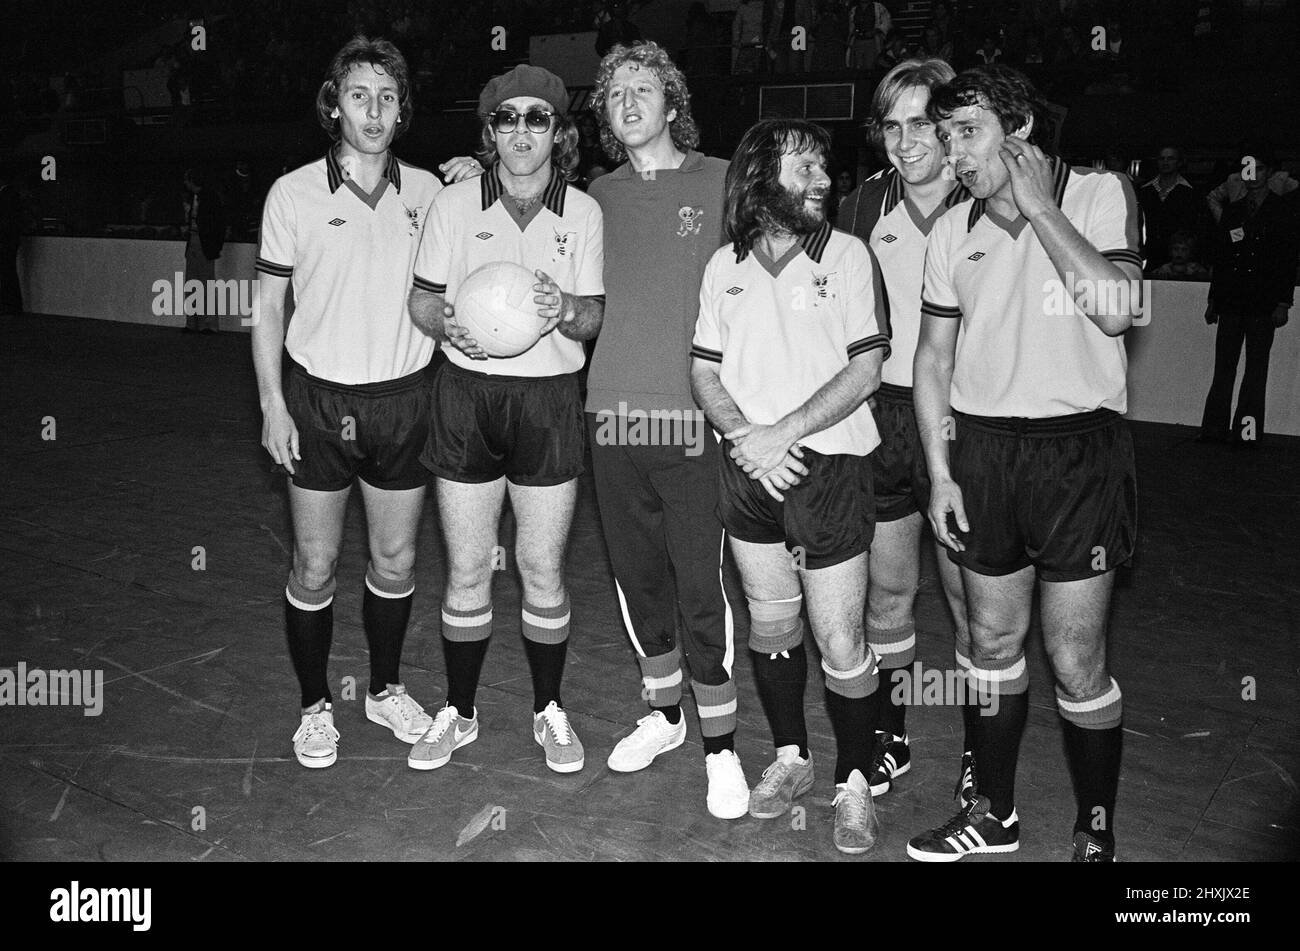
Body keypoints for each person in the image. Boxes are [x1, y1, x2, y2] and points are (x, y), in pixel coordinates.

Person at [911, 65, 1142, 862]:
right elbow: (933, 362)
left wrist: (1040, 205)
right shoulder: (950, 230)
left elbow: (1116, 309)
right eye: (943, 138)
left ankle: (1095, 825)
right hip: (983, 453)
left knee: (1076, 658)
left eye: (965, 132)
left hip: (1079, 452)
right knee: (991, 640)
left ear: (1020, 133)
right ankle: (994, 814)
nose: (952, 153)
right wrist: (941, 472)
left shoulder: (1098, 193)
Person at [691, 118, 891, 854]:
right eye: (802, 167)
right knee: (773, 626)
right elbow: (704, 370)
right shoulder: (724, 267)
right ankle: (790, 759)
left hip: (829, 468)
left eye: (824, 167)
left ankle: (856, 782)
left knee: (841, 637)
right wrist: (749, 438)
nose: (823, 179)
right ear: (758, 178)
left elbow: (866, 368)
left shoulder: (847, 256)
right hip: (748, 471)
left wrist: (785, 433)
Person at [406, 65, 605, 774]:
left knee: (540, 566)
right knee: (467, 567)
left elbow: (593, 317)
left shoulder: (582, 213)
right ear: (489, 133)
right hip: (466, 395)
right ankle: (458, 711)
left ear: (560, 131)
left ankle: (549, 709)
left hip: (548, 402)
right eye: (508, 118)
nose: (523, 130)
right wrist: (445, 326)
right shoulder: (454, 206)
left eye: (538, 117)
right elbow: (424, 300)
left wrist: (568, 312)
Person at [251, 36, 443, 769]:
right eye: (359, 94)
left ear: (402, 113)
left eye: (388, 98)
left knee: (395, 561)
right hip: (317, 403)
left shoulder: (431, 193)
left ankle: (385, 688)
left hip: (404, 401)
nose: (373, 109)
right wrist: (272, 401)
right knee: (315, 562)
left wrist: (475, 168)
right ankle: (314, 705)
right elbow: (267, 310)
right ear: (334, 105)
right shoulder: (292, 193)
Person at [838, 58, 972, 803]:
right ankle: (890, 733)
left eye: (921, 122)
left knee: (972, 603)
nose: (905, 140)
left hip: (964, 424)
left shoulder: (986, 201)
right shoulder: (860, 208)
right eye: (892, 125)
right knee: (887, 595)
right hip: (883, 419)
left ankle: (983, 753)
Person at [1198, 142, 1299, 448]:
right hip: (1231, 299)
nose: (1253, 175)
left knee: (1256, 370)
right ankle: (1214, 429)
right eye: (1248, 169)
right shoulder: (1233, 211)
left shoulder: (1283, 211)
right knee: (1223, 367)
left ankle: (1247, 432)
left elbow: (1288, 261)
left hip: (1264, 302)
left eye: (1259, 169)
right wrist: (1214, 300)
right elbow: (1223, 259)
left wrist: (1283, 302)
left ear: (1270, 173)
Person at [1138, 146, 1203, 272]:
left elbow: (1195, 228)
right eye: (1162, 158)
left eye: (1170, 158)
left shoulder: (1191, 193)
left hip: (1179, 258)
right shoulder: (1144, 191)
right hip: (1148, 255)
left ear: (1179, 162)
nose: (1165, 162)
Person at [181, 168, 226, 334]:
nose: (185, 183)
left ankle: (206, 324)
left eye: (187, 180)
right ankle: (194, 322)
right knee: (192, 284)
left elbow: (218, 223)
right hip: (196, 243)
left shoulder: (208, 198)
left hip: (203, 244)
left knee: (203, 284)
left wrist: (216, 246)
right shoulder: (197, 198)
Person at [0, 162, 25, 315]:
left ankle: (10, 305)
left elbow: (6, 220)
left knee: (6, 271)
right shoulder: (11, 194)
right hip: (9, 239)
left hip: (6, 239)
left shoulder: (8, 195)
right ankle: (11, 304)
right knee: (8, 271)